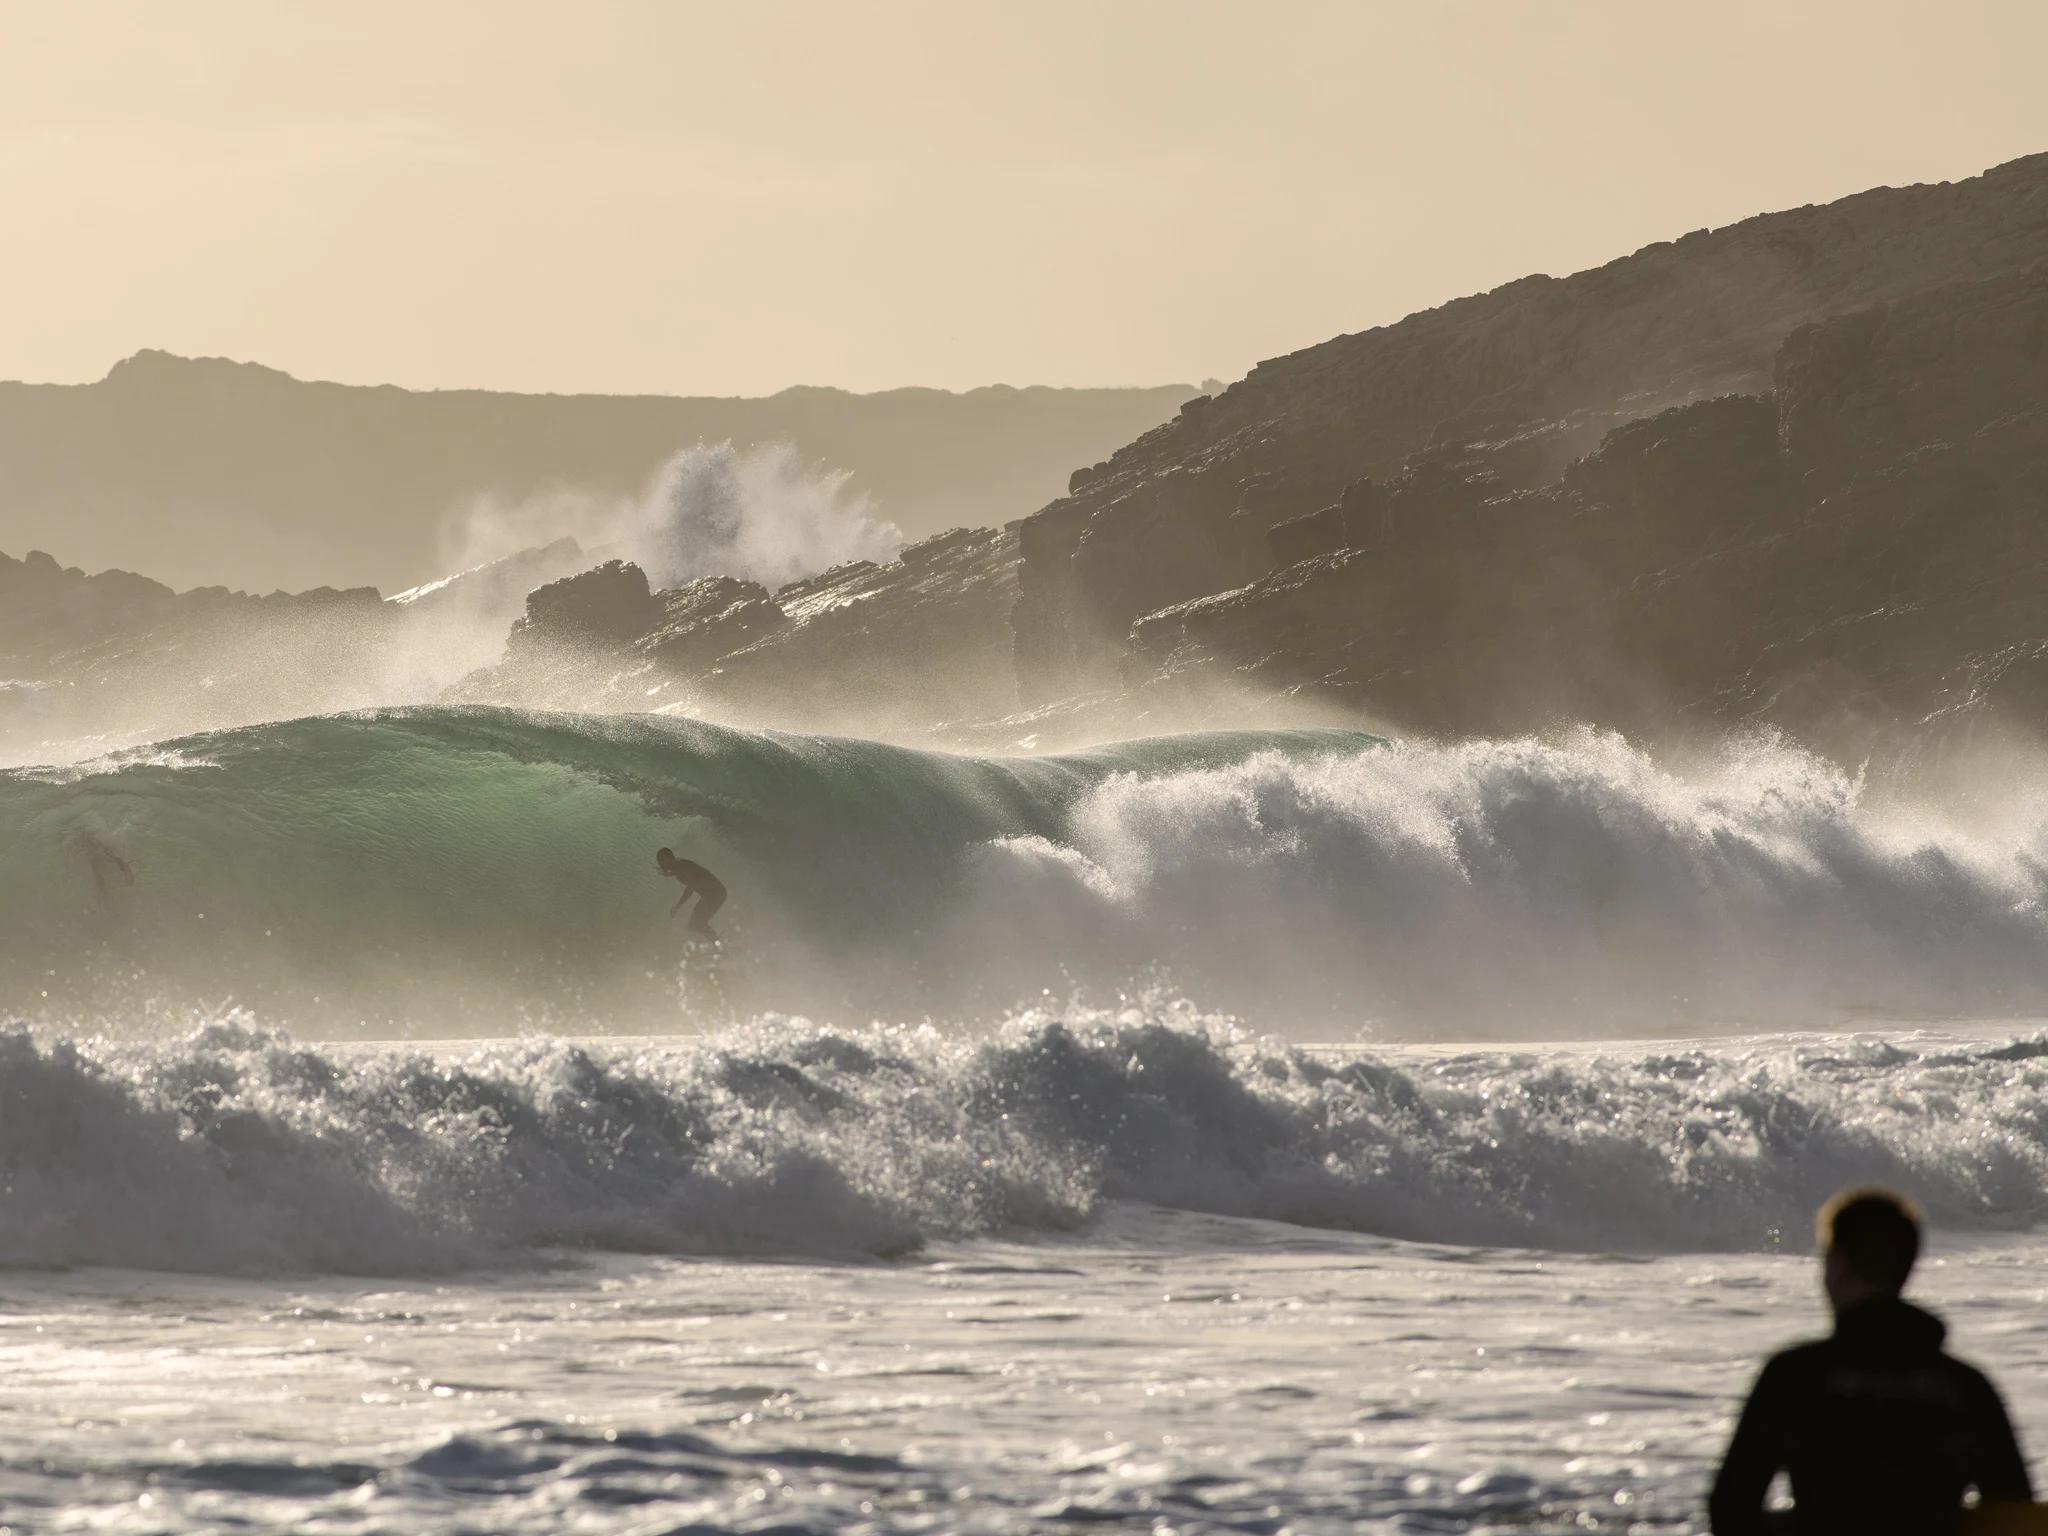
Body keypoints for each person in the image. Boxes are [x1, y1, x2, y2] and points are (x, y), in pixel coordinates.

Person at [1709, 1188, 2032, 1536]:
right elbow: (2014, 1517)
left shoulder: (1795, 1374)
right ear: (1905, 1268)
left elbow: (1730, 1510)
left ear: (1839, 1265)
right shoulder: (1965, 1387)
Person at [655, 847, 726, 939]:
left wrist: (678, 906)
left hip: (716, 894)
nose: (660, 864)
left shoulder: (683, 866)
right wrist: (671, 873)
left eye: (662, 861)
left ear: (669, 858)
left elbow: (690, 889)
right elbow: (681, 873)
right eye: (659, 862)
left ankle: (719, 945)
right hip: (709, 895)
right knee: (692, 925)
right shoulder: (680, 866)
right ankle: (715, 941)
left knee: (699, 923)